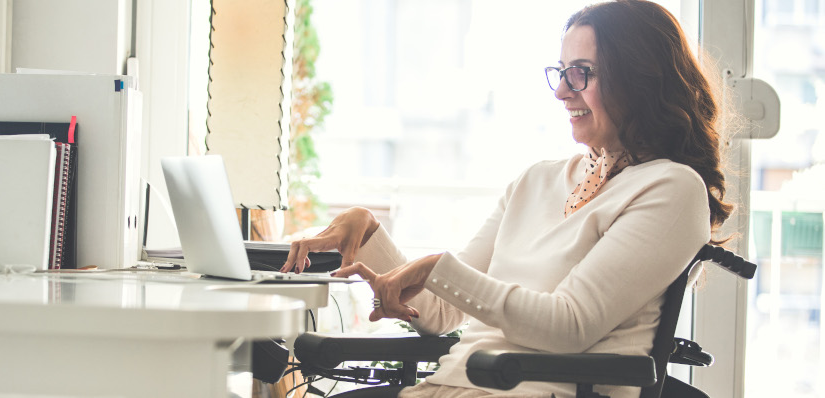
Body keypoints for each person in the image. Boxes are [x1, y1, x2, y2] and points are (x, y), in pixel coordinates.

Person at [281, 1, 734, 397]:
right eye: (560, 72)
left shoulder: (671, 189)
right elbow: (441, 310)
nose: (561, 91)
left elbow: (570, 325)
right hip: (454, 386)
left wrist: (438, 267)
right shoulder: (535, 181)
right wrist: (368, 234)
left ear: (639, 79)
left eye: (581, 74)